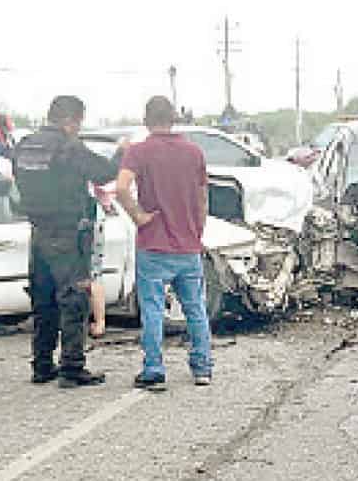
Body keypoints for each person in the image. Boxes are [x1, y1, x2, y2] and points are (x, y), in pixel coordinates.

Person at [12, 94, 118, 387]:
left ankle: (42, 364)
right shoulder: (68, 147)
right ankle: (72, 366)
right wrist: (122, 154)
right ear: (71, 120)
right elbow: (104, 172)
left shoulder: (25, 146)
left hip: (38, 232)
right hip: (66, 232)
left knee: (43, 301)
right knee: (74, 298)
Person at [116, 95, 213, 391]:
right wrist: (197, 230)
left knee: (153, 308)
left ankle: (154, 369)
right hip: (188, 244)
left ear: (146, 120)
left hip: (153, 243)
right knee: (195, 308)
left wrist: (138, 216)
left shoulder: (139, 152)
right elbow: (202, 197)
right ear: (174, 118)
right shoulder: (194, 152)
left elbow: (121, 187)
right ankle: (202, 368)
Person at [88, 181, 118, 338]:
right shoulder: (88, 167)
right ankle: (99, 322)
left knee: (83, 273)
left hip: (79, 222)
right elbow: (104, 195)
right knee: (95, 273)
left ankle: (97, 322)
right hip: (96, 220)